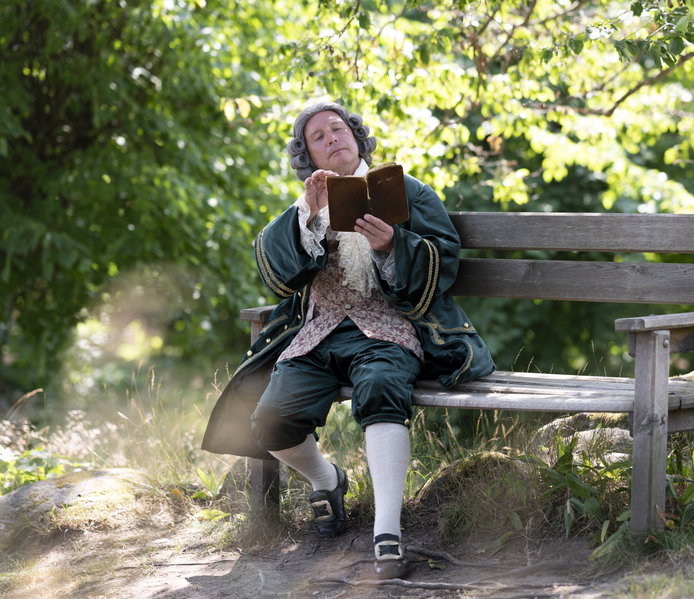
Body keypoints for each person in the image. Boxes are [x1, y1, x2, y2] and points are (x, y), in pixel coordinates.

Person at [201, 101, 495, 580]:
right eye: (319, 136)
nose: (332, 136)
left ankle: (387, 535)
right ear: (308, 156)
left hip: (389, 330)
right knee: (271, 419)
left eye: (339, 128)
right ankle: (328, 480)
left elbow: (445, 258)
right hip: (317, 333)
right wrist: (310, 218)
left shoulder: (406, 192)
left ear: (356, 137)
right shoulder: (303, 207)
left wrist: (391, 246)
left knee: (381, 388)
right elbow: (276, 276)